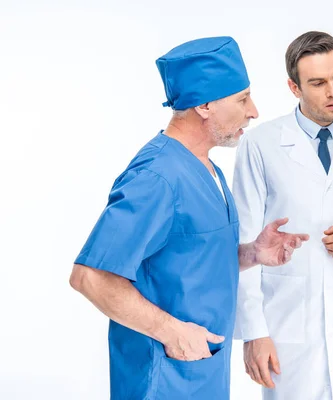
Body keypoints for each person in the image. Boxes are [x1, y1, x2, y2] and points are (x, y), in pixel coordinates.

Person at [68, 36, 309, 400]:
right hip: (163, 379)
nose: (254, 111)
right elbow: (91, 276)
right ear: (206, 105)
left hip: (202, 373)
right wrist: (170, 331)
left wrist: (251, 254)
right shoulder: (157, 177)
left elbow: (189, 257)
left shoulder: (207, 168)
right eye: (242, 99)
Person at [232, 31, 333, 400]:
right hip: (287, 324)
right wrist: (255, 331)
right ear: (294, 87)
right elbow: (243, 244)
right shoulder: (261, 144)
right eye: (318, 83)